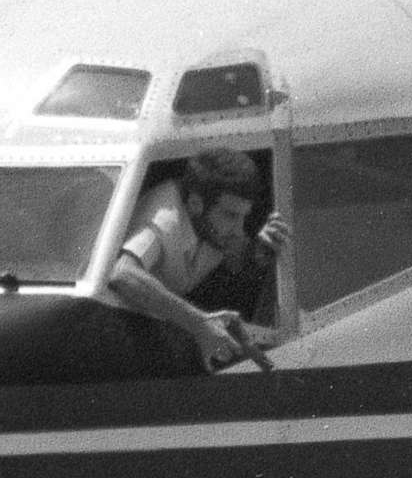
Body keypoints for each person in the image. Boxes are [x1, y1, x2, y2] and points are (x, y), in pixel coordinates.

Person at [101, 149, 288, 371]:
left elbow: (236, 259)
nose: (239, 230)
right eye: (231, 216)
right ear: (196, 204)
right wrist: (199, 323)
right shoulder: (164, 220)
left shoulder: (210, 222)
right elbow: (123, 274)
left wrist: (258, 251)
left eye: (243, 217)